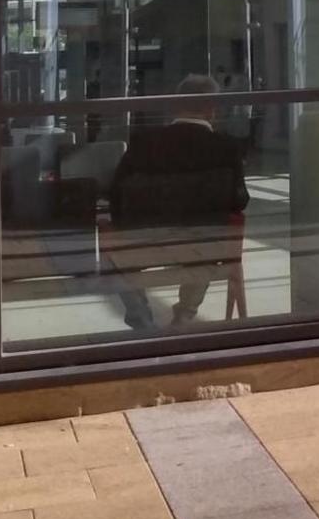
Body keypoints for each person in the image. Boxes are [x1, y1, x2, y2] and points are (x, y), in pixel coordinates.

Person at [106, 76, 248, 331]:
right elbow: (239, 200)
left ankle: (143, 323)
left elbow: (115, 193)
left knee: (113, 258)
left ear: (175, 106)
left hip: (145, 243)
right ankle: (183, 318)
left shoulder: (143, 142)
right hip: (202, 248)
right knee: (208, 244)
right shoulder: (226, 148)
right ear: (212, 109)